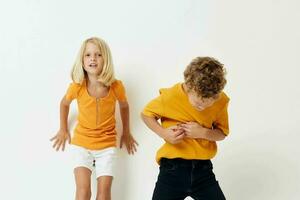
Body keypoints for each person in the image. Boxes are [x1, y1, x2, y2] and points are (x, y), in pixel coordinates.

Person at [50, 37, 138, 200]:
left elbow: (124, 106)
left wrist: (126, 131)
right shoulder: (77, 86)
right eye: (88, 55)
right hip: (82, 143)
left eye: (98, 55)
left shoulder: (116, 86)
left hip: (106, 145)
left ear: (106, 59)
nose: (93, 58)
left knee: (104, 193)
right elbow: (64, 104)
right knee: (83, 191)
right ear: (82, 60)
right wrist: (63, 128)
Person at [141, 56, 229, 200]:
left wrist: (203, 132)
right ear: (188, 86)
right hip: (172, 170)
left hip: (203, 171)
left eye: (207, 104)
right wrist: (163, 133)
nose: (201, 108)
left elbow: (221, 134)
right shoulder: (170, 97)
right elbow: (146, 115)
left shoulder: (221, 101)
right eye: (198, 104)